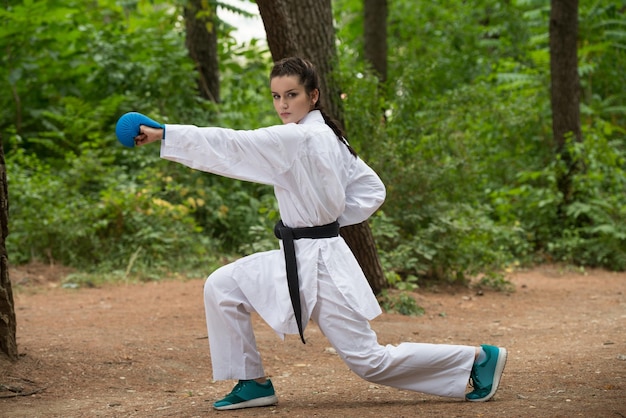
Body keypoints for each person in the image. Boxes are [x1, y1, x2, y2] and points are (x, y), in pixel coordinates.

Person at [130, 56, 507, 411]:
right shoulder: (327, 136)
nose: (283, 104)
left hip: (322, 262)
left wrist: (166, 135)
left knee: (369, 361)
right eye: (276, 96)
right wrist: (327, 217)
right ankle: (253, 382)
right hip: (304, 252)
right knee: (223, 286)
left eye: (291, 95)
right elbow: (372, 189)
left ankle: (477, 358)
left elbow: (233, 144)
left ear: (313, 95)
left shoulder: (298, 138)